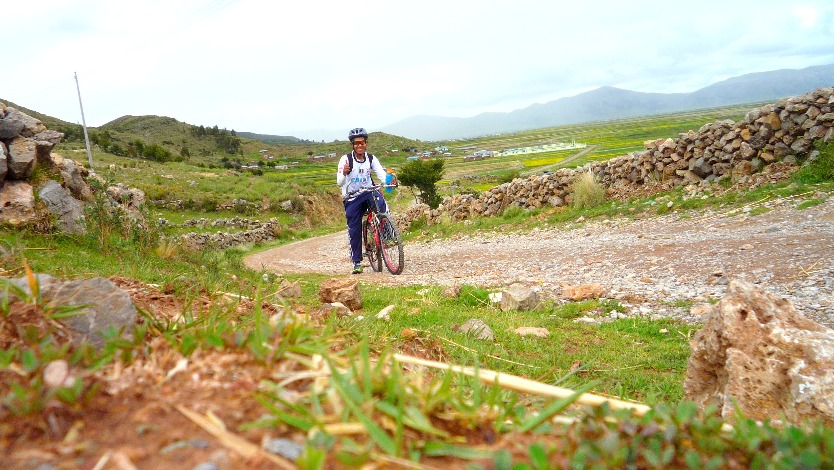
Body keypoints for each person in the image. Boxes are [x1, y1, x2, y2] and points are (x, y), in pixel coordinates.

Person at [336, 127, 390, 274]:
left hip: (368, 192)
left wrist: (389, 181)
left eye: (362, 142)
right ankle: (357, 262)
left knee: (382, 204)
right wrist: (345, 173)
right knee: (354, 228)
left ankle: (386, 233)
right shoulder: (345, 159)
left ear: (366, 143)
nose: (359, 145)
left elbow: (381, 174)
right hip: (352, 197)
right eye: (356, 143)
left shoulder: (371, 158)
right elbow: (339, 182)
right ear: (352, 145)